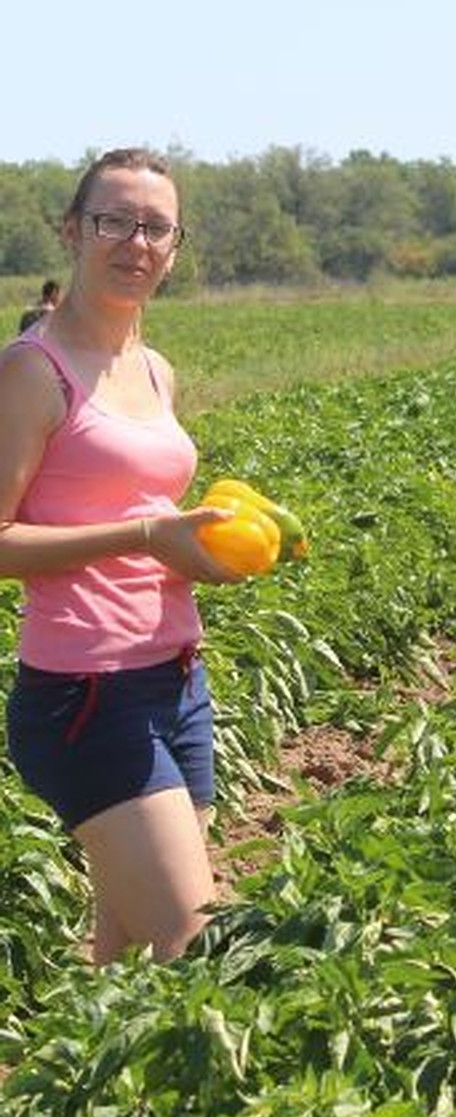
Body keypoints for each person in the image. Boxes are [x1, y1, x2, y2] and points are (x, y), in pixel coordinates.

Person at [0, 148, 238, 965]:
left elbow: (141, 504)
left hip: (175, 679)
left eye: (155, 227)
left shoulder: (155, 370)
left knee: (132, 958)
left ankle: (63, 1095)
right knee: (192, 947)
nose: (135, 242)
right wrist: (144, 537)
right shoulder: (33, 371)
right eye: (112, 220)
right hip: (85, 697)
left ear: (175, 247)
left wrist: (217, 537)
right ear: (72, 230)